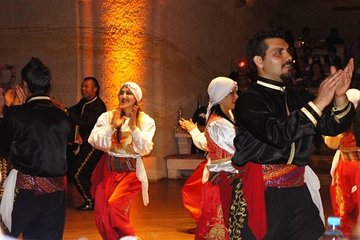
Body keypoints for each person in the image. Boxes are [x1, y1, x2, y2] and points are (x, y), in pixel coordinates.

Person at [232, 29, 355, 239]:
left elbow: (332, 126)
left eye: (288, 52)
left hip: (299, 193)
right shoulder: (249, 101)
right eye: (278, 53)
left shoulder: (297, 96)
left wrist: (340, 96)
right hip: (265, 196)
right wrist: (319, 102)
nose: (289, 57)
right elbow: (278, 134)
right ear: (259, 61)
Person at [0, 57, 69, 239]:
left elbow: (2, 148)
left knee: (5, 234)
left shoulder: (17, 114)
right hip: (56, 194)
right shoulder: (61, 116)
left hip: (25, 192)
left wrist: (7, 111)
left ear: (24, 85)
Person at [88, 81, 156, 240]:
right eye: (122, 92)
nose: (124, 96)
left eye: (129, 93)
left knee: (114, 208)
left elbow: (145, 149)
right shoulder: (107, 117)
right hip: (108, 171)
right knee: (102, 216)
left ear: (136, 98)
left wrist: (134, 128)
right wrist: (112, 127)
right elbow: (94, 141)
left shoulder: (146, 121)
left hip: (131, 173)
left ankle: (130, 237)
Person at [323, 88, 360, 237]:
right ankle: (339, 234)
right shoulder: (341, 119)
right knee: (341, 205)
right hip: (343, 166)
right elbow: (330, 142)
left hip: (354, 167)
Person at [66, 77, 106, 210]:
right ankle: (91, 200)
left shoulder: (98, 106)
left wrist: (66, 112)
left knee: (78, 173)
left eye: (86, 86)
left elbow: (85, 122)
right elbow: (73, 111)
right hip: (86, 142)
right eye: (82, 86)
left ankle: (90, 201)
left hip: (95, 144)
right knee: (78, 171)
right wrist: (63, 109)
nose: (83, 89)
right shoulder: (84, 102)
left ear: (95, 89)